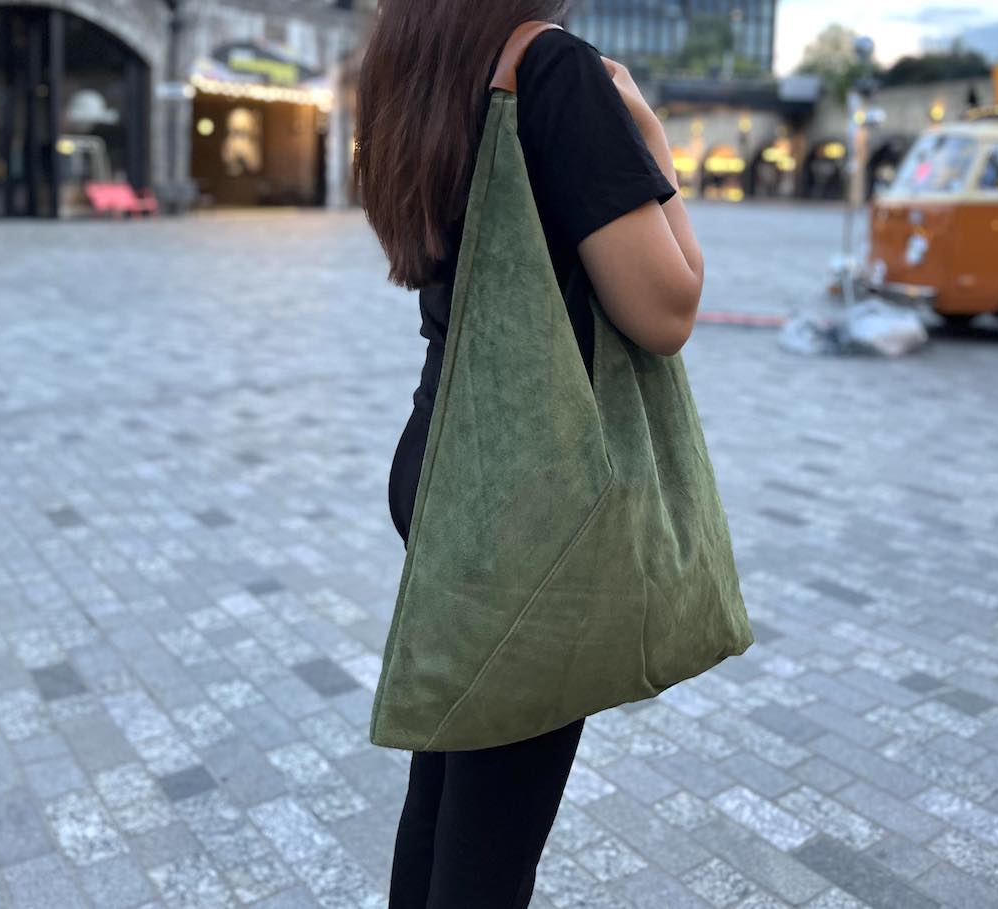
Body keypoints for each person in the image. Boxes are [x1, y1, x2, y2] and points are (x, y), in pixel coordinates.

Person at [353, 3, 705, 907]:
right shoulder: (554, 70)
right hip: (536, 491)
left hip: (441, 462)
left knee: (445, 796)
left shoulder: (413, 63)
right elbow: (669, 310)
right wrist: (650, 134)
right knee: (490, 849)